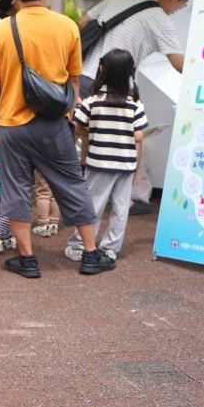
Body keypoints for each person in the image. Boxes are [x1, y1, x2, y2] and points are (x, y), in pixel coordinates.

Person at [0, 0, 114, 278]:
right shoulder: (67, 26)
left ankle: (27, 259)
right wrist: (70, 114)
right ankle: (90, 253)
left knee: (16, 189)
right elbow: (74, 80)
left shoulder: (1, 30)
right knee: (71, 185)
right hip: (53, 124)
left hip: (12, 125)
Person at [78, 0, 194, 216]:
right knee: (133, 139)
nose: (178, 9)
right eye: (183, 4)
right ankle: (124, 198)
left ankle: (79, 197)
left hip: (83, 77)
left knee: (83, 138)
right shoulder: (159, 18)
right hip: (116, 89)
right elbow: (179, 64)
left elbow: (82, 24)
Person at [65, 49, 147, 262]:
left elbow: (77, 126)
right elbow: (139, 135)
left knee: (92, 205)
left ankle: (80, 245)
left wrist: (93, 132)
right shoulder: (134, 104)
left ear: (103, 69)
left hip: (98, 162)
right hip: (126, 164)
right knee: (120, 207)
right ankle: (111, 247)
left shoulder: (93, 101)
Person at [32, 172, 60, 237]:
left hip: (45, 166)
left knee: (43, 193)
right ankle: (53, 224)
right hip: (62, 167)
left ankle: (43, 226)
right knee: (55, 194)